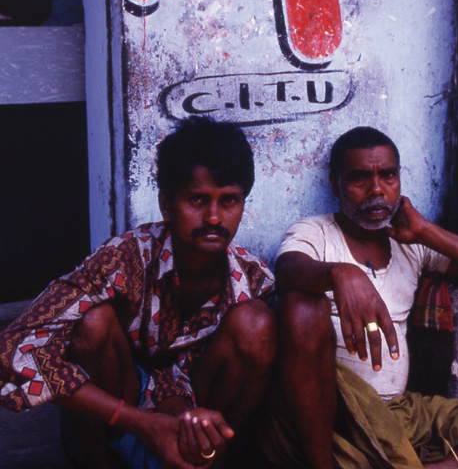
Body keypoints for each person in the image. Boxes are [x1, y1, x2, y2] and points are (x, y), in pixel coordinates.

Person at [0, 117, 276, 469]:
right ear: (166, 205)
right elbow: (10, 354)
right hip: (117, 418)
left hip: (199, 420)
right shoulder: (123, 259)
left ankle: (208, 462)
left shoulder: (255, 281)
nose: (213, 217)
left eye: (229, 201)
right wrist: (143, 423)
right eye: (197, 199)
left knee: (257, 323)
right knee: (94, 324)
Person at [263, 126, 458, 469]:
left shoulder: (409, 241)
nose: (376, 190)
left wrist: (425, 232)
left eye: (387, 176)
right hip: (333, 415)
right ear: (336, 184)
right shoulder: (316, 233)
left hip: (398, 412)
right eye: (360, 178)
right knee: (302, 306)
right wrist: (342, 274)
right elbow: (287, 270)